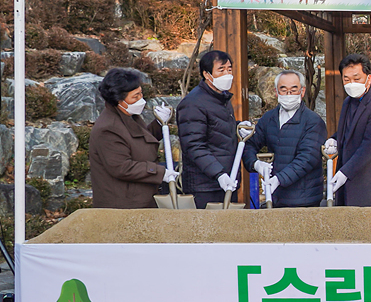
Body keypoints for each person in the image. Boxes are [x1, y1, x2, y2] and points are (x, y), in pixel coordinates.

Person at [88, 68, 177, 209]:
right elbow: (122, 167)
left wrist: (160, 123)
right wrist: (160, 172)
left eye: (141, 94)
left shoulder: (127, 114)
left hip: (140, 196)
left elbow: (139, 141)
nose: (140, 100)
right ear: (119, 100)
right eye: (135, 97)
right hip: (124, 202)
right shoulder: (107, 129)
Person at [242, 70, 325, 208]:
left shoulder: (313, 121)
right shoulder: (269, 119)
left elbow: (306, 159)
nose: (289, 94)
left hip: (304, 198)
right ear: (276, 92)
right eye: (283, 89)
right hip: (276, 198)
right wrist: (255, 164)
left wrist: (279, 179)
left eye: (294, 90)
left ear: (302, 91)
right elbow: (250, 144)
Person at [177, 50, 238, 210]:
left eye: (229, 69)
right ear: (207, 74)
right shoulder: (193, 104)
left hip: (226, 182)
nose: (227, 74)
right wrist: (218, 173)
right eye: (221, 69)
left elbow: (218, 130)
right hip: (204, 186)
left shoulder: (222, 99)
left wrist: (239, 128)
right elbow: (194, 145)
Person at [331, 54, 371, 207]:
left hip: (369, 184)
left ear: (368, 79)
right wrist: (334, 138)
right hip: (346, 179)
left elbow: (369, 146)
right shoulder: (348, 101)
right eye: (346, 79)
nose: (351, 83)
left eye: (356, 78)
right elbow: (348, 130)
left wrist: (345, 172)